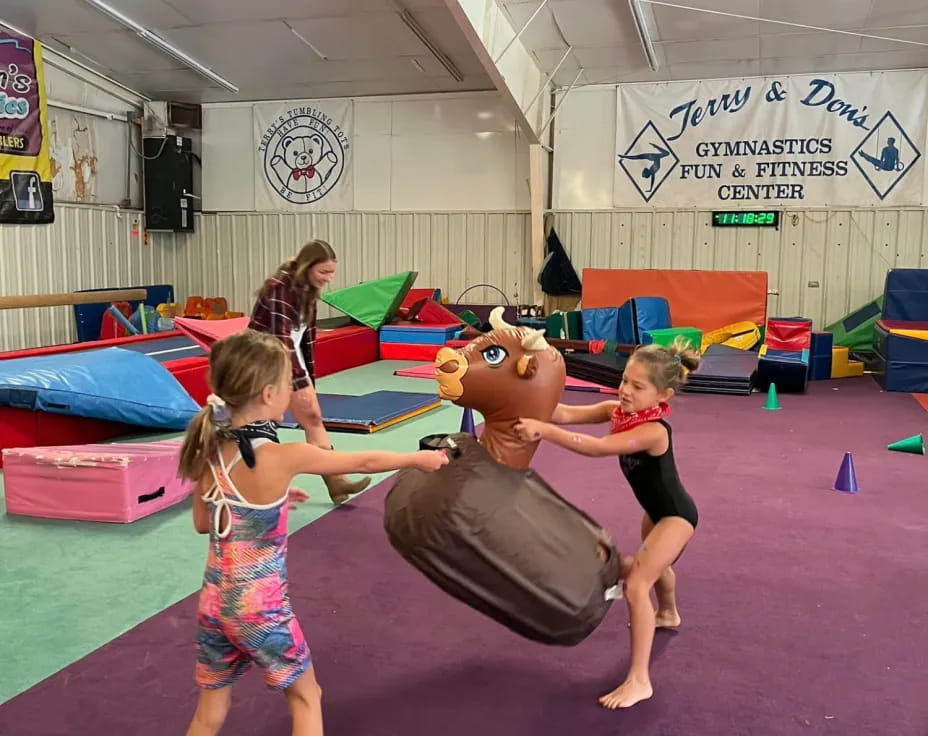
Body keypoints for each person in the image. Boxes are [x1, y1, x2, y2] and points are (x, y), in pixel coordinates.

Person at [178, 329, 448, 736]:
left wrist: (266, 508)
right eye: (288, 384)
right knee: (306, 697)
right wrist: (417, 459)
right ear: (268, 394)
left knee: (209, 713)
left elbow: (205, 523)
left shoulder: (210, 449)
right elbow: (364, 461)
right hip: (259, 611)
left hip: (214, 606)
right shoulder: (284, 455)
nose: (292, 392)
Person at [514, 339, 700, 710]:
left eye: (638, 386)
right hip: (655, 511)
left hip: (676, 517)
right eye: (625, 380)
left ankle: (639, 680)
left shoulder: (654, 431)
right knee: (657, 567)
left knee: (637, 584)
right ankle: (668, 612)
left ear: (662, 396)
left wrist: (543, 431)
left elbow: (597, 448)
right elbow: (565, 414)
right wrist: (528, 402)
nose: (625, 390)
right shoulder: (617, 411)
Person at [249, 239, 370, 506]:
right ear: (307, 266)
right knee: (262, 425)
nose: (328, 278)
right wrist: (298, 381)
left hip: (289, 360)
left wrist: (306, 377)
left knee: (313, 418)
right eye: (323, 272)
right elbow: (280, 339)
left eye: (331, 272)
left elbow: (304, 339)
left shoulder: (309, 290)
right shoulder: (280, 287)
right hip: (263, 362)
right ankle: (259, 485)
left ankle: (335, 479)